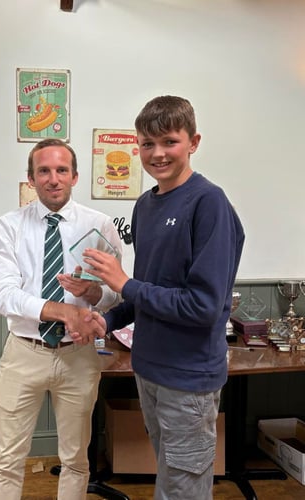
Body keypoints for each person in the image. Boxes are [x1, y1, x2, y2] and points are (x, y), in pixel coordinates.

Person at [83, 95, 245, 500]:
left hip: (188, 378)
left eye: (169, 142)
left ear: (193, 142)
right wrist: (108, 319)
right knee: (171, 477)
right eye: (147, 144)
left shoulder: (210, 203)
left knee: (183, 489)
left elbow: (203, 307)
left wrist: (123, 284)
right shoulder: (145, 205)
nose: (157, 154)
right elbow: (149, 287)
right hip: (149, 369)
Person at [0, 138, 122, 499]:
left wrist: (91, 293)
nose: (53, 178)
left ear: (75, 176)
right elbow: (2, 294)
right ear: (30, 179)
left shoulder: (100, 226)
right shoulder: (10, 225)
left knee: (77, 459)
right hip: (24, 353)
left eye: (61, 170)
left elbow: (114, 295)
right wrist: (62, 309)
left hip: (78, 356)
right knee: (8, 459)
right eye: (43, 171)